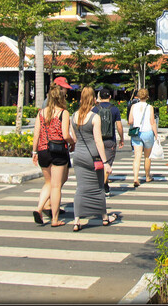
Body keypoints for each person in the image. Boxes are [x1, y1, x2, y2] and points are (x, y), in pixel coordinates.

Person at [69, 86, 117, 231]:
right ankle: (104, 217)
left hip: (78, 155)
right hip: (92, 156)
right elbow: (98, 141)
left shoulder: (74, 116)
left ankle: (76, 220)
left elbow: (74, 137)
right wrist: (105, 162)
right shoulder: (94, 117)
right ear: (93, 99)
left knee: (81, 188)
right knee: (98, 187)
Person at [32, 84, 73, 227]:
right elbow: (65, 134)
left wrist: (34, 151)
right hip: (58, 150)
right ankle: (55, 219)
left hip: (43, 150)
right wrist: (72, 143)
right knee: (56, 186)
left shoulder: (41, 113)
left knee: (48, 182)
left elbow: (36, 134)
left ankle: (39, 207)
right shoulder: (63, 113)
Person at [94, 87, 124, 195]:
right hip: (110, 140)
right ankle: (104, 184)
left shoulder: (95, 109)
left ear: (99, 97)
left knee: (99, 162)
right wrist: (122, 138)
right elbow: (119, 126)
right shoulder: (114, 109)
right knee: (107, 163)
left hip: (97, 140)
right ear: (110, 97)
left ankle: (102, 185)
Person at [127, 88, 158, 188]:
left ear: (138, 96)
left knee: (137, 156)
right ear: (147, 96)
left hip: (137, 133)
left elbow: (130, 120)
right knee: (147, 156)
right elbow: (152, 122)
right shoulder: (150, 107)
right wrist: (156, 135)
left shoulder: (133, 106)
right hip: (147, 132)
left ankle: (135, 178)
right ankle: (147, 176)